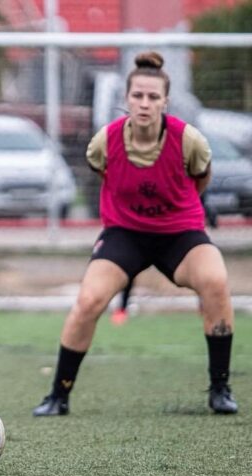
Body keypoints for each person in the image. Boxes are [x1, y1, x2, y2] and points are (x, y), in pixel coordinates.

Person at [32, 52, 238, 417]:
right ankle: (58, 395)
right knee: (88, 301)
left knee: (216, 281)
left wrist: (187, 208)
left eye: (153, 97)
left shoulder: (190, 141)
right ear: (126, 99)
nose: (145, 103)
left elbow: (200, 179)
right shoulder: (103, 143)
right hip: (125, 235)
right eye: (138, 96)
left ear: (165, 101)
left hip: (180, 235)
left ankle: (220, 389)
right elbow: (104, 176)